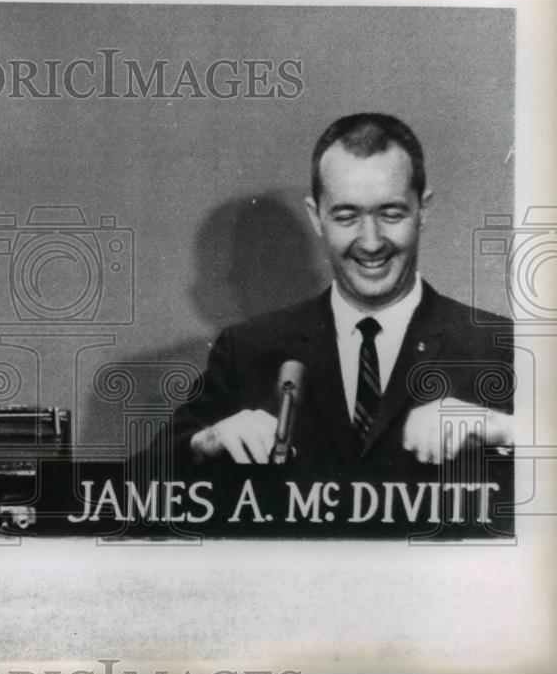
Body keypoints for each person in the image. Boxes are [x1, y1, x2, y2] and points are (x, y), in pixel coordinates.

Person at [173, 113, 514, 470]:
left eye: (391, 213)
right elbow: (137, 482)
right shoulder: (246, 351)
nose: (370, 242)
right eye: (346, 217)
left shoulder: (500, 346)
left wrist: (501, 429)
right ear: (316, 217)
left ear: (423, 210)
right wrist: (205, 442)